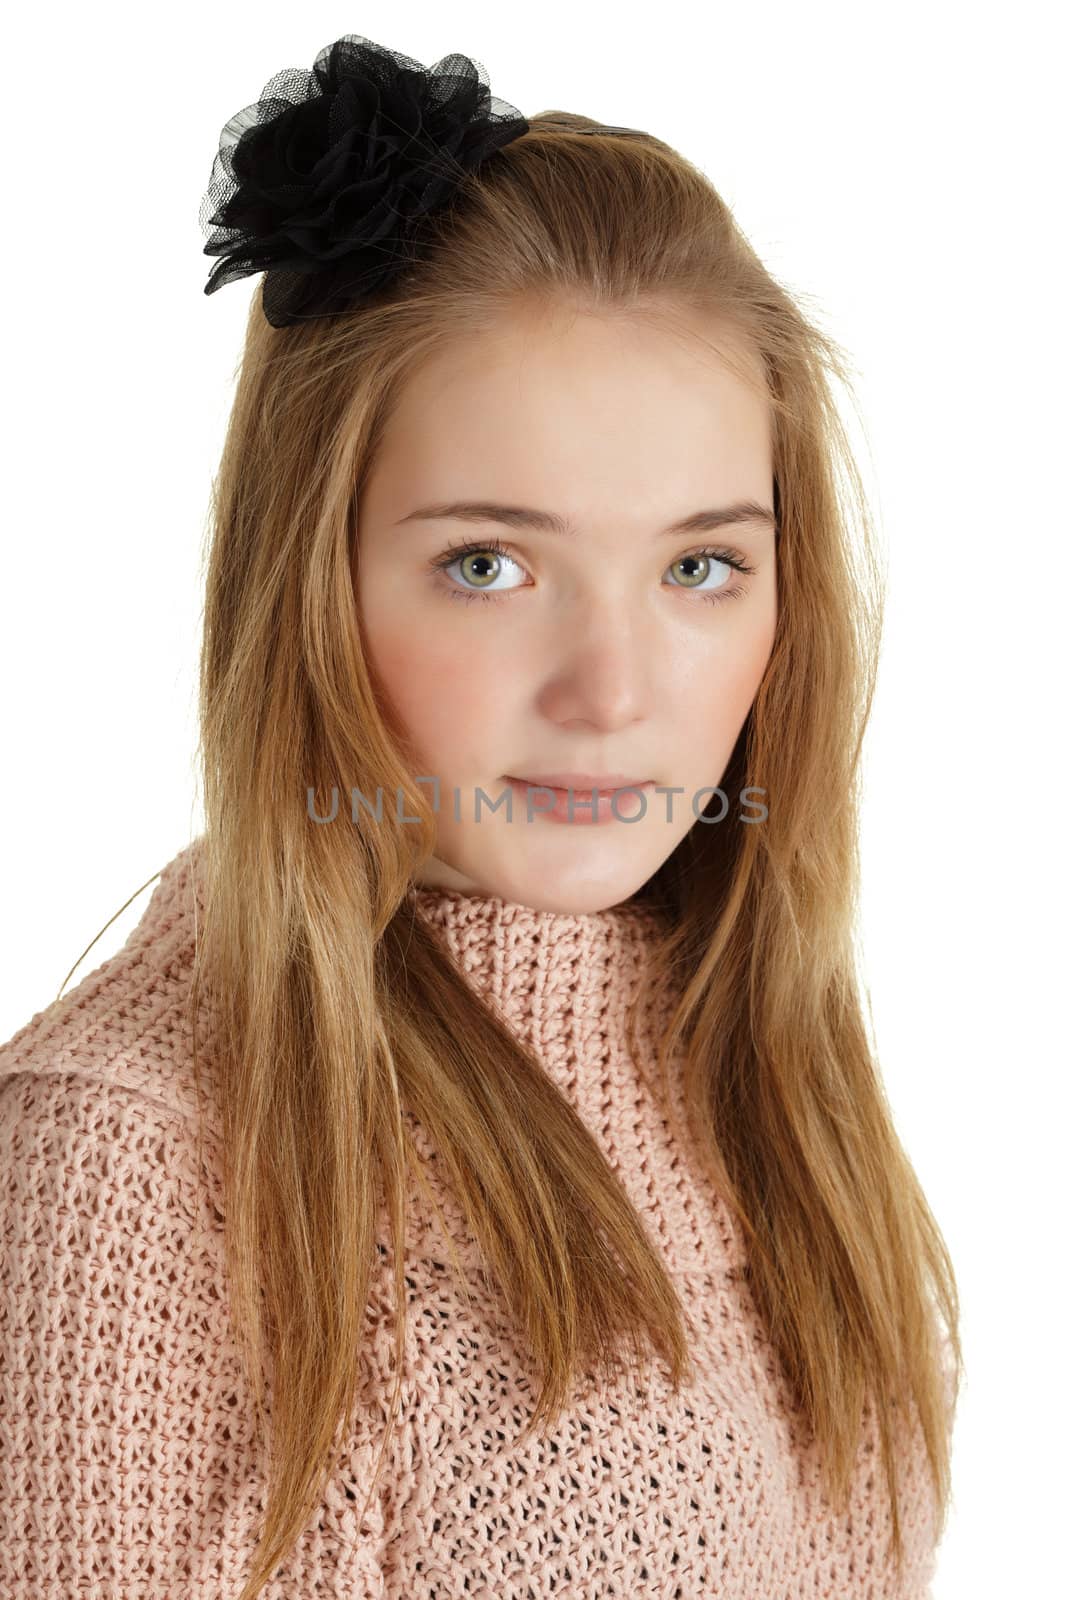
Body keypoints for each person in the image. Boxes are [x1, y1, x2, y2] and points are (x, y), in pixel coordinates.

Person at [0, 33, 962, 1600]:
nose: (615, 687)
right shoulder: (126, 1165)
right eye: (489, 565)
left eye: (701, 566)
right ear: (311, 578)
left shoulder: (761, 1068)